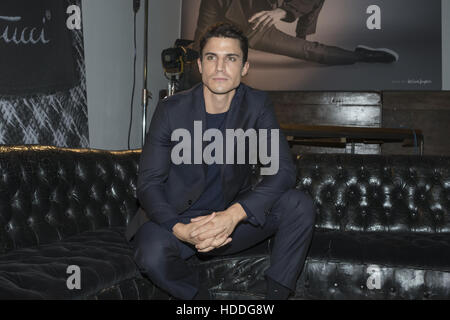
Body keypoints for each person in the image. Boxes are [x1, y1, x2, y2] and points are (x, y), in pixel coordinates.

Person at [125, 22, 316, 300]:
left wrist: (233, 215)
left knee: (299, 205)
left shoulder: (257, 105)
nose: (220, 67)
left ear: (245, 68)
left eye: (231, 59)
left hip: (230, 221)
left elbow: (282, 171)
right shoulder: (170, 110)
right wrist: (182, 230)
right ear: (200, 65)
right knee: (151, 252)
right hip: (179, 220)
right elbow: (149, 184)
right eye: (212, 57)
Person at [191, 0, 399, 65]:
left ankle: (360, 55)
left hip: (262, 22)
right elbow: (204, 26)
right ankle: (360, 55)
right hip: (244, 32)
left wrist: (283, 11)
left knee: (310, 50)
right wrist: (195, 54)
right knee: (311, 51)